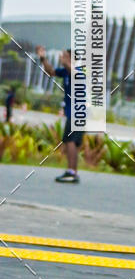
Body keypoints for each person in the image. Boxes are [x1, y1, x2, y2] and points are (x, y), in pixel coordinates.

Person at [36, 46, 83, 184]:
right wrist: (43, 58)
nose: (60, 57)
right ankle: (72, 172)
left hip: (78, 112)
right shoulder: (66, 72)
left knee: (70, 141)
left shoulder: (79, 72)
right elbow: (50, 72)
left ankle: (71, 172)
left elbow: (73, 71)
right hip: (73, 112)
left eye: (63, 55)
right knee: (71, 141)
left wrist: (66, 62)